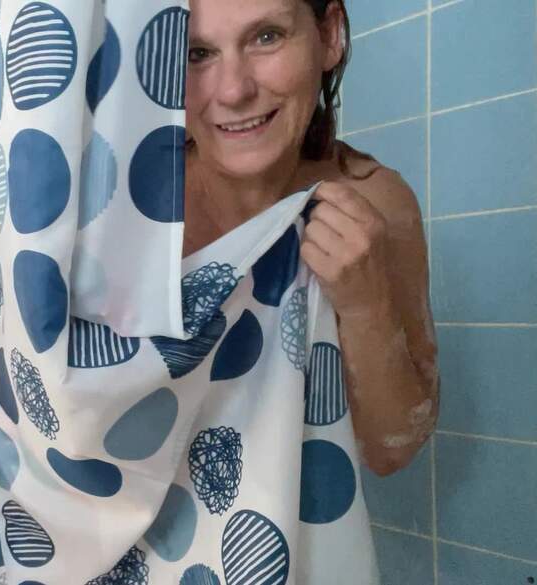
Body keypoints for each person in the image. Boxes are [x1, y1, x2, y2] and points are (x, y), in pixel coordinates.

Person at [184, 0, 440, 476]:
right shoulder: (130, 203)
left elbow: (391, 450)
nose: (234, 90)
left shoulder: (374, 202)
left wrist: (367, 307)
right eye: (197, 53)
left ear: (329, 35)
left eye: (266, 36)